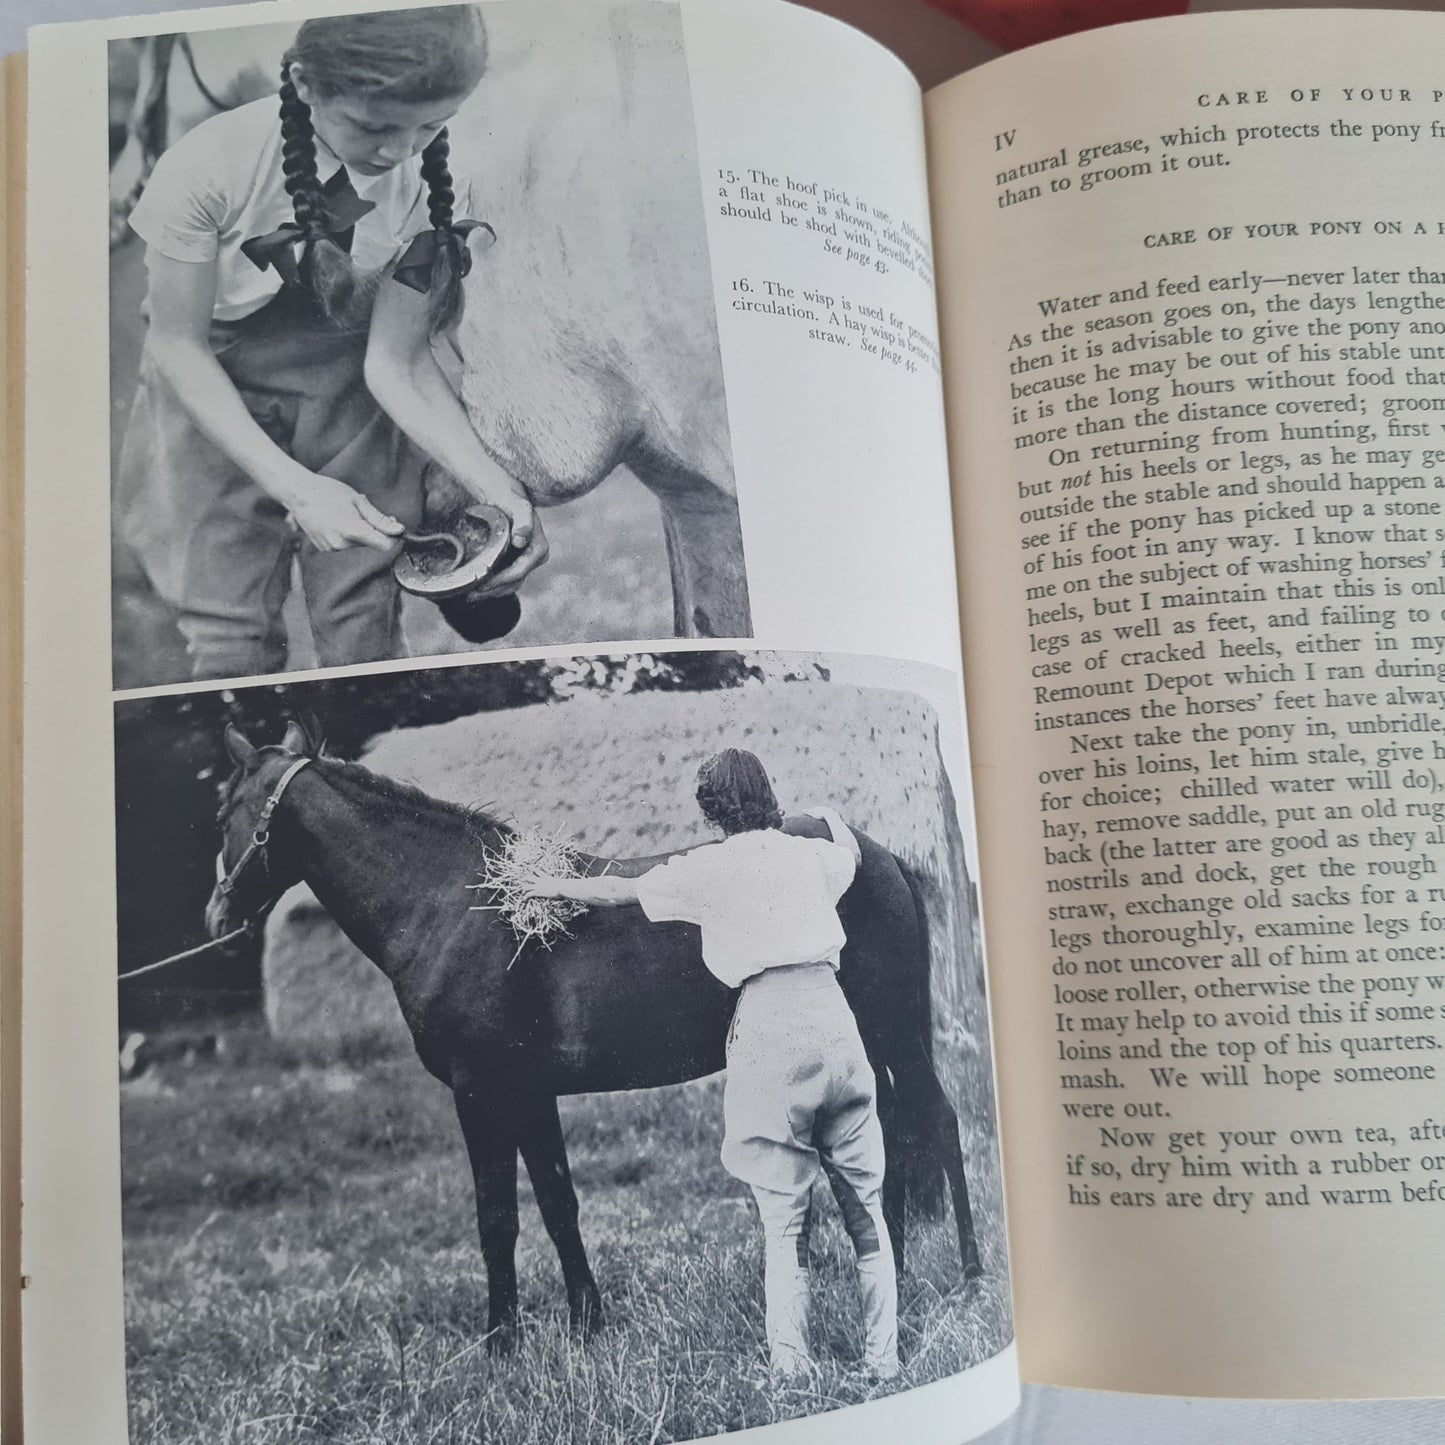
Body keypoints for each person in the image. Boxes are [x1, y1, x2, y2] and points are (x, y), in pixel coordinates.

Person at [117, 6, 543, 682]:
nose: (400, 152)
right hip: (212, 378)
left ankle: (372, 770)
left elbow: (395, 360)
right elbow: (178, 346)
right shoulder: (208, 166)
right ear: (307, 85)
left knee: (361, 618)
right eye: (373, 126)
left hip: (346, 376)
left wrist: (502, 491)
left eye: (430, 125)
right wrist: (297, 489)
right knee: (228, 631)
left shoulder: (445, 178)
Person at [527, 749, 899, 1383]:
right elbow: (852, 854)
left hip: (768, 1027)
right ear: (768, 795)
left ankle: (792, 1372)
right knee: (867, 1213)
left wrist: (551, 884)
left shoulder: (707, 868)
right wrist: (829, 816)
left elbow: (619, 891)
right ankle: (883, 1362)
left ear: (709, 808)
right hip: (835, 1021)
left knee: (784, 1227)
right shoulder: (812, 856)